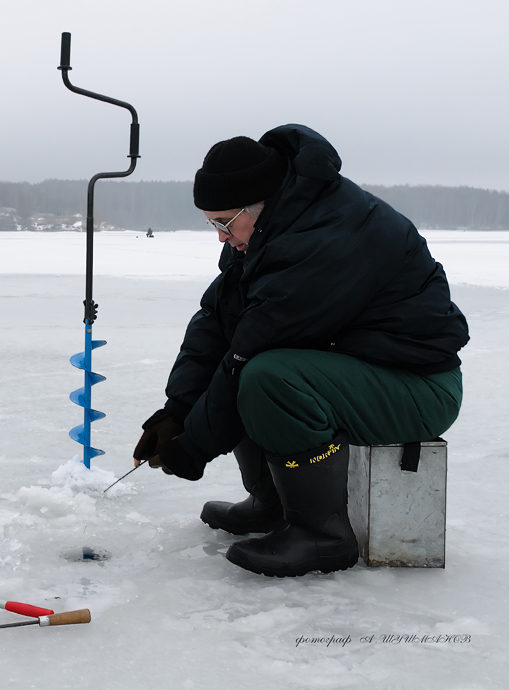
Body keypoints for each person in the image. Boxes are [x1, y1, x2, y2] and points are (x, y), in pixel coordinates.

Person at [133, 125, 468, 578]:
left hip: (417, 386)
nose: (219, 237)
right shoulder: (267, 230)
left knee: (269, 376)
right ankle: (273, 504)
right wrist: (177, 411)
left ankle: (322, 534)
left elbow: (251, 351)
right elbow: (217, 320)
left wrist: (191, 447)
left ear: (259, 205)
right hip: (357, 369)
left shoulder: (326, 237)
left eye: (224, 223)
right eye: (211, 223)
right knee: (255, 365)